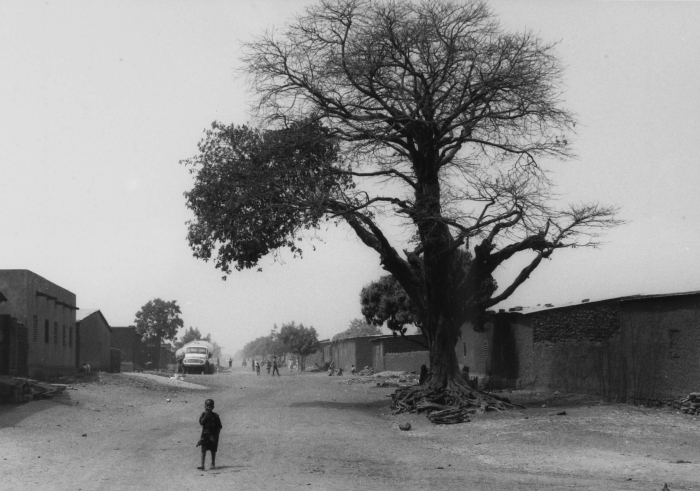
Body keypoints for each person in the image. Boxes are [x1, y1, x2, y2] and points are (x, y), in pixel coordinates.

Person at [196, 398, 222, 471]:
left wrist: (217, 436)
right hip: (205, 435)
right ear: (205, 406)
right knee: (203, 450)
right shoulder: (203, 414)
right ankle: (202, 465)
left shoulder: (216, 416)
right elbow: (201, 422)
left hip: (213, 436)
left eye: (210, 406)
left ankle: (213, 463)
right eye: (207, 405)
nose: (209, 407)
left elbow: (219, 426)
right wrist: (206, 414)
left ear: (213, 407)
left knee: (213, 450)